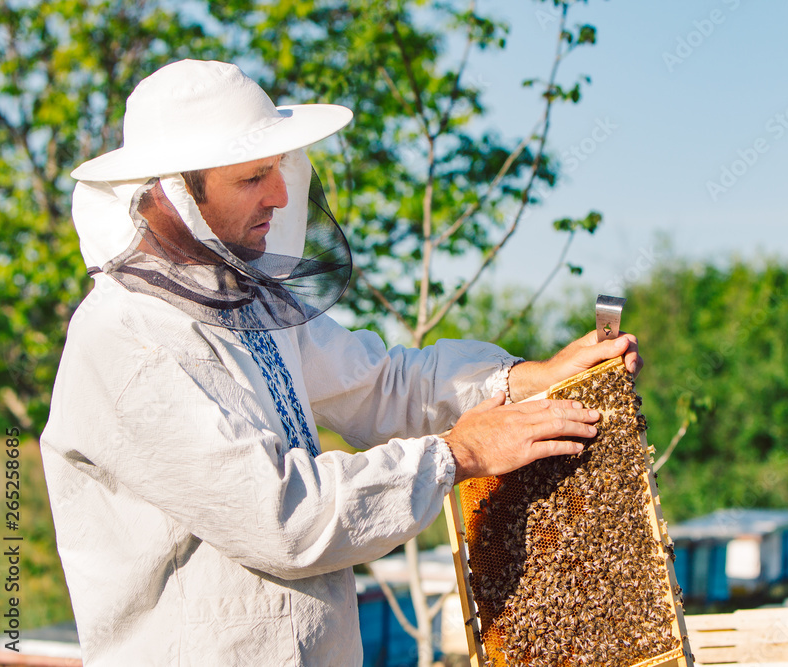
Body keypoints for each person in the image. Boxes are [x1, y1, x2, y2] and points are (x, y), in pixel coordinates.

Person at [40, 59, 640, 666]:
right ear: (175, 193)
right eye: (252, 178)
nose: (278, 194)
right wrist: (457, 454)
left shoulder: (247, 303)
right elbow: (285, 517)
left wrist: (520, 380)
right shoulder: (124, 341)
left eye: (278, 171)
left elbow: (381, 383)